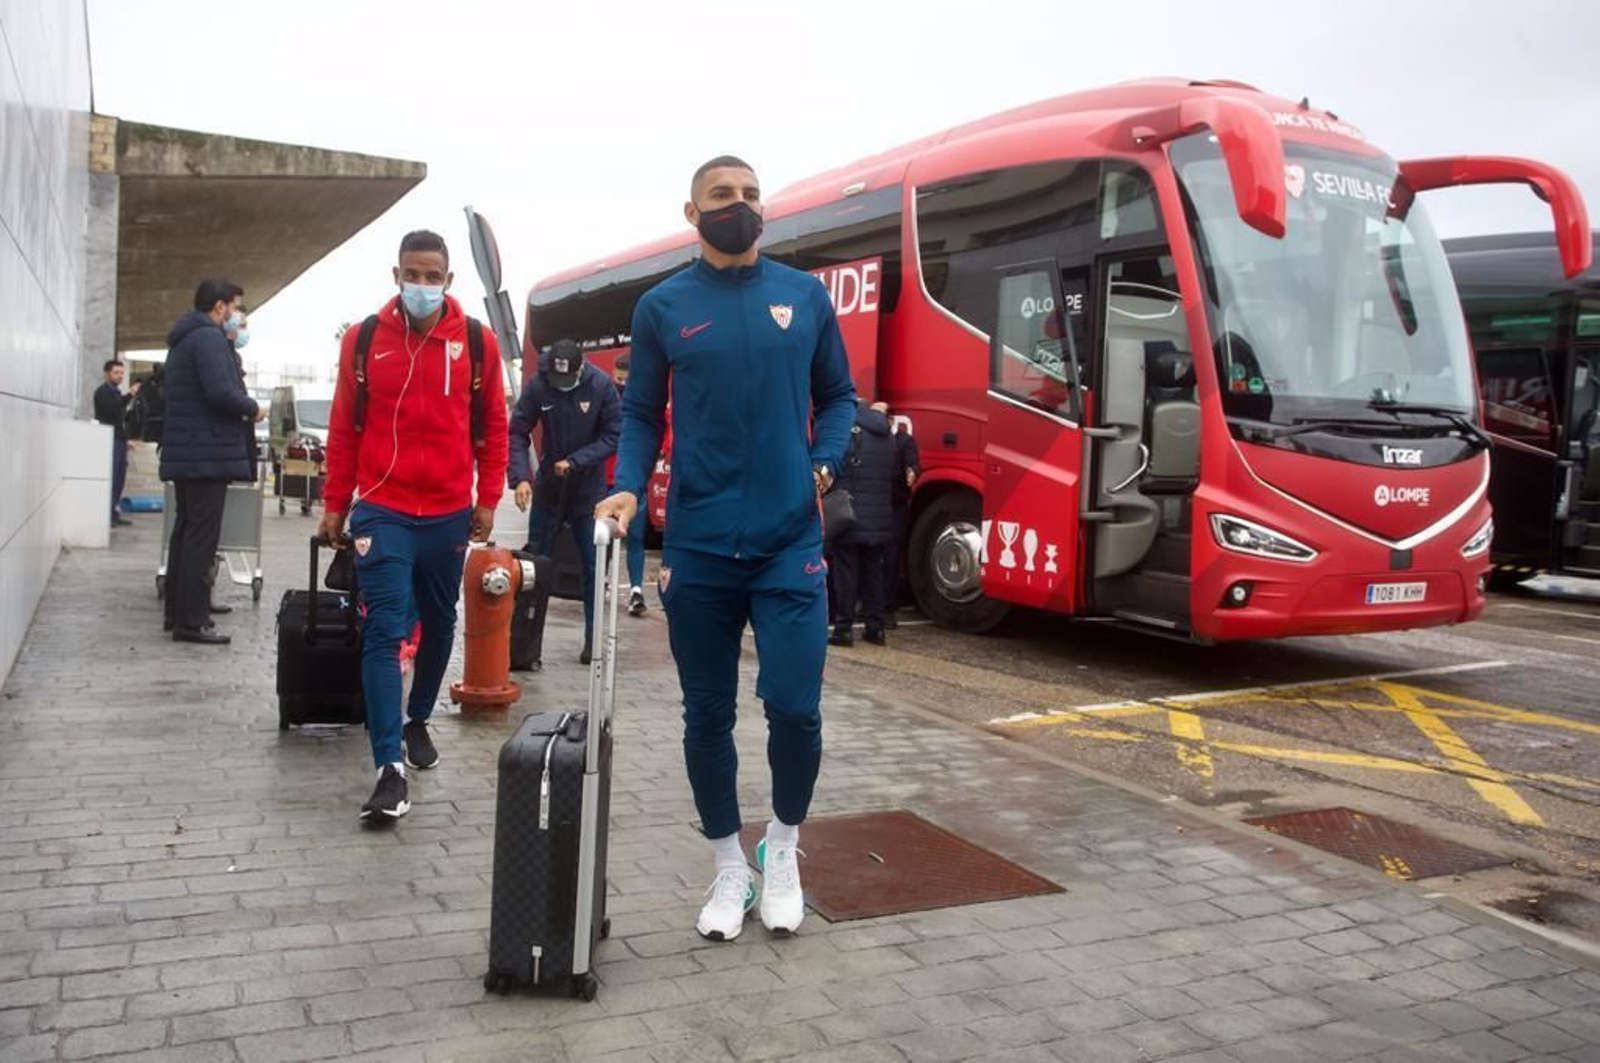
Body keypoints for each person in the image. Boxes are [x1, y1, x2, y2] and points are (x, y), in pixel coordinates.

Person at [597, 155, 856, 941]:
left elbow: (838, 396)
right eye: (722, 195)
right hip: (700, 542)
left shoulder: (803, 296)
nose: (738, 205)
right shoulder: (662, 306)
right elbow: (641, 413)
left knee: (795, 706)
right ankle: (729, 866)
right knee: (706, 713)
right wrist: (627, 484)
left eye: (749, 194)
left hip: (789, 541)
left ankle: (782, 846)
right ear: (692, 212)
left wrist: (822, 464)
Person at [320, 230, 509, 822]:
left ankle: (416, 718)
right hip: (383, 507)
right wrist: (335, 501)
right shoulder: (364, 340)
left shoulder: (475, 342)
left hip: (449, 511)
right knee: (384, 627)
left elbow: (494, 425)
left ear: (448, 281)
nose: (421, 285)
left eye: (432, 276)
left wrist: (488, 497)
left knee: (440, 618)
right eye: (412, 274)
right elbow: (343, 428)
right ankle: (388, 769)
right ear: (396, 275)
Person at [159, 280, 265, 644]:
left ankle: (180, 610)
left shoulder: (187, 338)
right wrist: (253, 408)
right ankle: (191, 621)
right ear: (220, 307)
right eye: (235, 307)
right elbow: (220, 392)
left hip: (191, 452)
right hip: (205, 453)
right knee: (200, 537)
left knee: (187, 532)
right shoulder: (208, 338)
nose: (237, 315)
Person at [508, 339, 621, 664]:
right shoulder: (539, 385)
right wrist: (521, 477)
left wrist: (577, 460)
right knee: (533, 566)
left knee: (593, 566)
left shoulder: (600, 385)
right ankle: (524, 646)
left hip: (588, 491)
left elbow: (614, 434)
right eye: (557, 380)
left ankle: (593, 643)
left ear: (580, 369)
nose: (561, 385)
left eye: (567, 379)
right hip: (549, 489)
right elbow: (517, 431)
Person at [829, 401, 899, 647]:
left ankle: (843, 630)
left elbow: (835, 467)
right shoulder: (887, 435)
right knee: (875, 574)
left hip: (849, 516)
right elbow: (894, 473)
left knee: (846, 574)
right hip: (879, 516)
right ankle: (875, 629)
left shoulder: (845, 429)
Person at [608, 353, 648, 617]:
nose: (621, 385)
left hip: (631, 481)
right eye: (618, 379)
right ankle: (603, 578)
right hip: (610, 478)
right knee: (607, 535)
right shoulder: (608, 399)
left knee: (634, 536)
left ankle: (636, 589)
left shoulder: (640, 402)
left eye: (625, 380)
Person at [886, 404, 920, 628]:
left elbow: (913, 464)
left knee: (891, 559)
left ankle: (888, 607)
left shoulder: (904, 441)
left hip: (895, 507)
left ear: (891, 419)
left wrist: (912, 472)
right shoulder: (872, 439)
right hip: (876, 507)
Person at [93, 359, 137, 527]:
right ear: (107, 374)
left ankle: (114, 512)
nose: (119, 376)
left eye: (121, 373)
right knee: (112, 476)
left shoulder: (116, 393)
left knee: (119, 477)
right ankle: (107, 514)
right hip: (109, 439)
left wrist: (126, 439)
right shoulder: (102, 393)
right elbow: (112, 410)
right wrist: (129, 395)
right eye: (116, 372)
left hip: (118, 438)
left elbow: (120, 419)